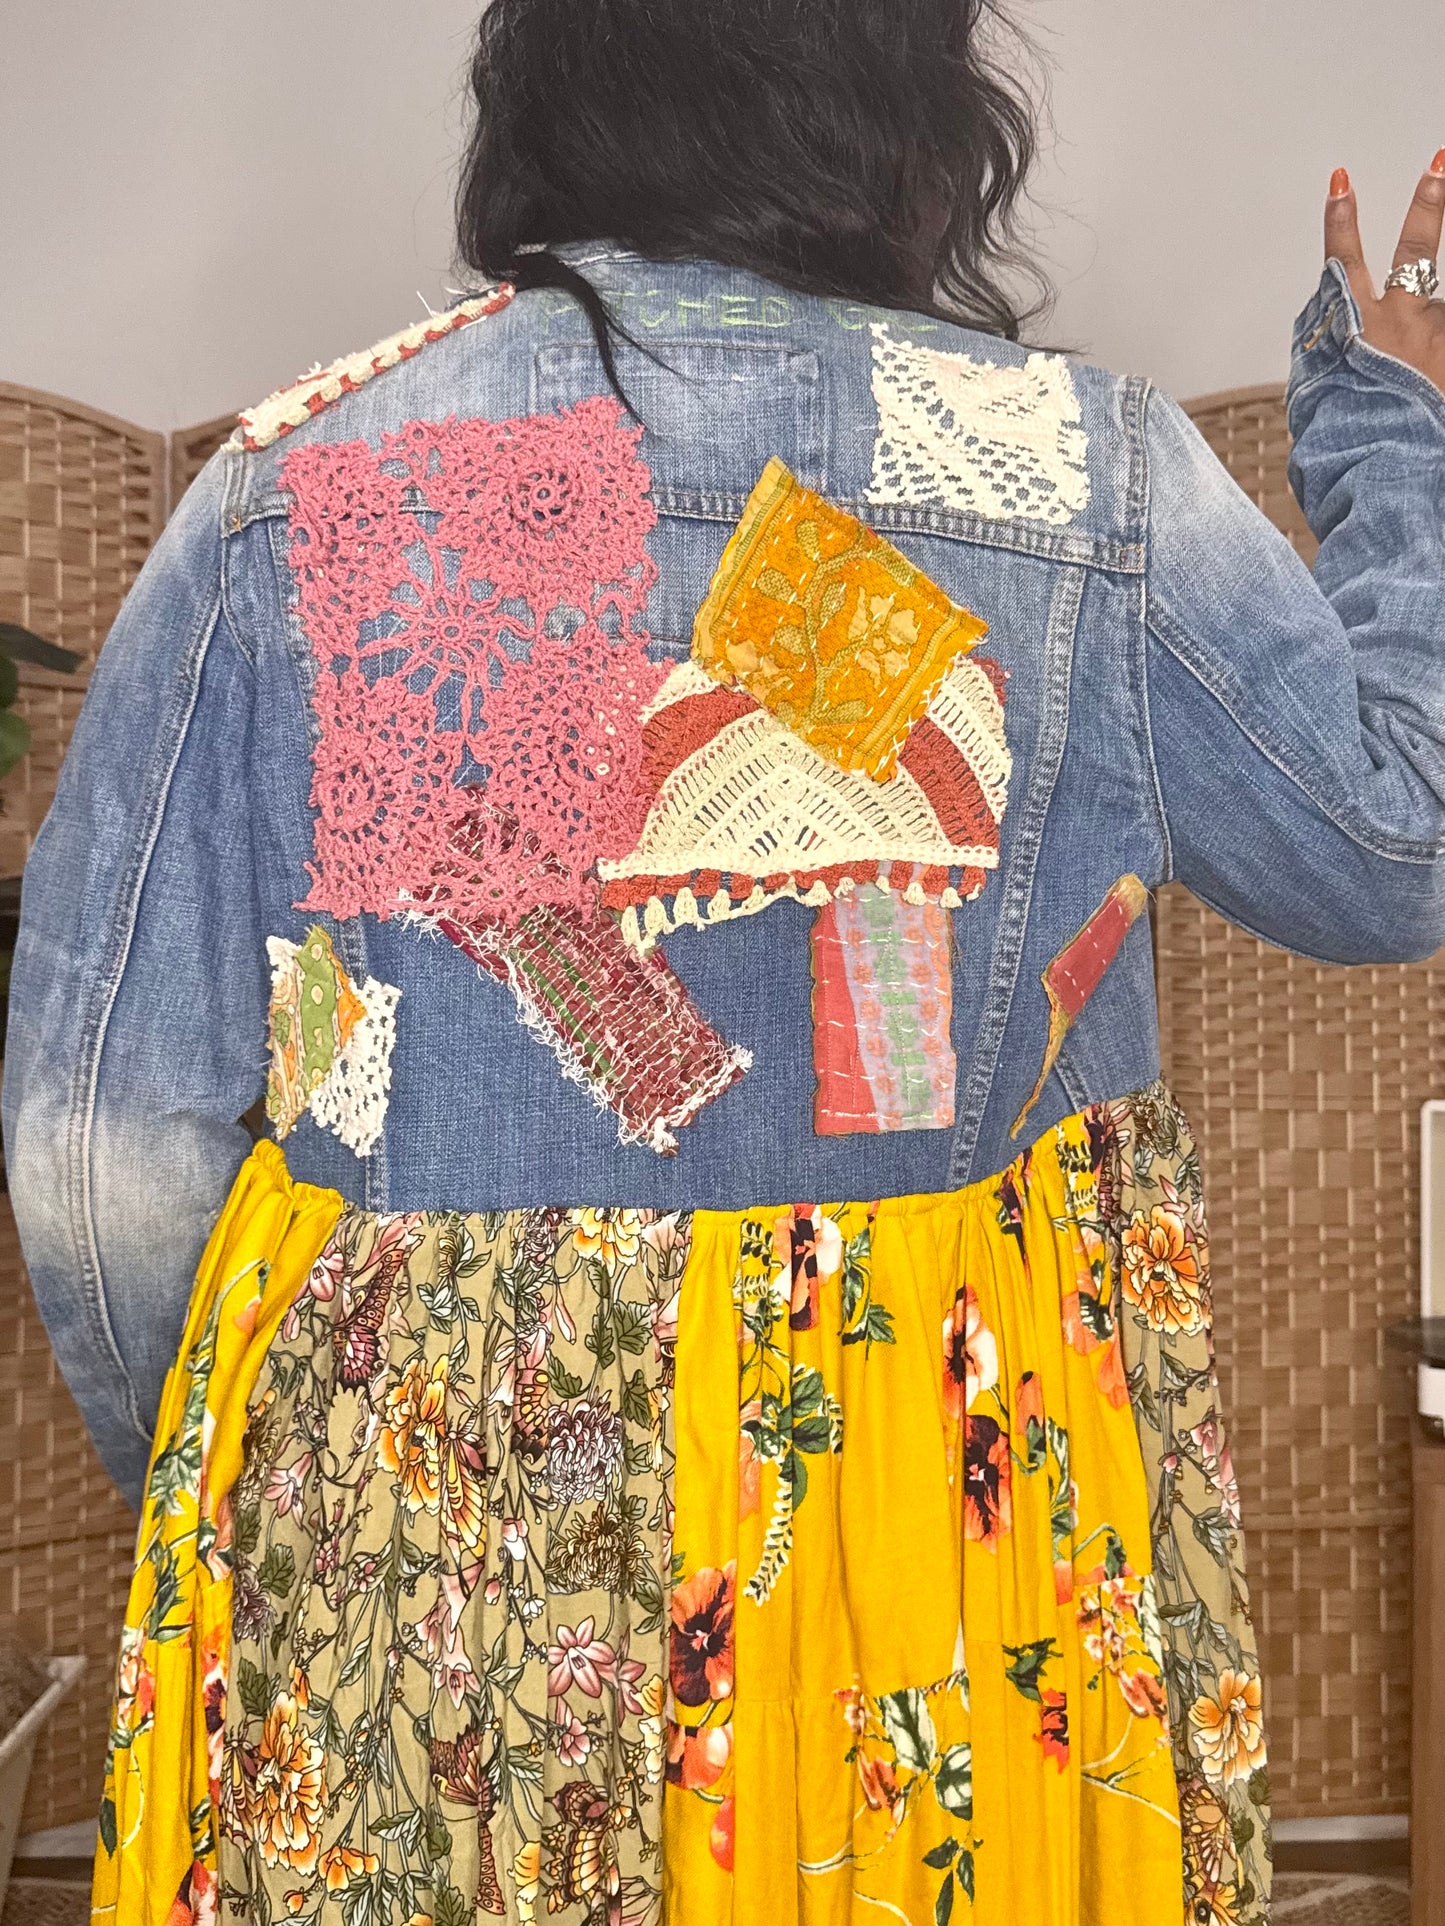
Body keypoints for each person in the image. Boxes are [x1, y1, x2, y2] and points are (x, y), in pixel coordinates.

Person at [7, 1, 1445, 1920]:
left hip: (440, 1572)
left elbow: (99, 1151)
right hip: (934, 1551)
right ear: (915, 108)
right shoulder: (1075, 479)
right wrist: (1393, 427)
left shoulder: (300, 486)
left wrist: (244, 1482)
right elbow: (1393, 847)